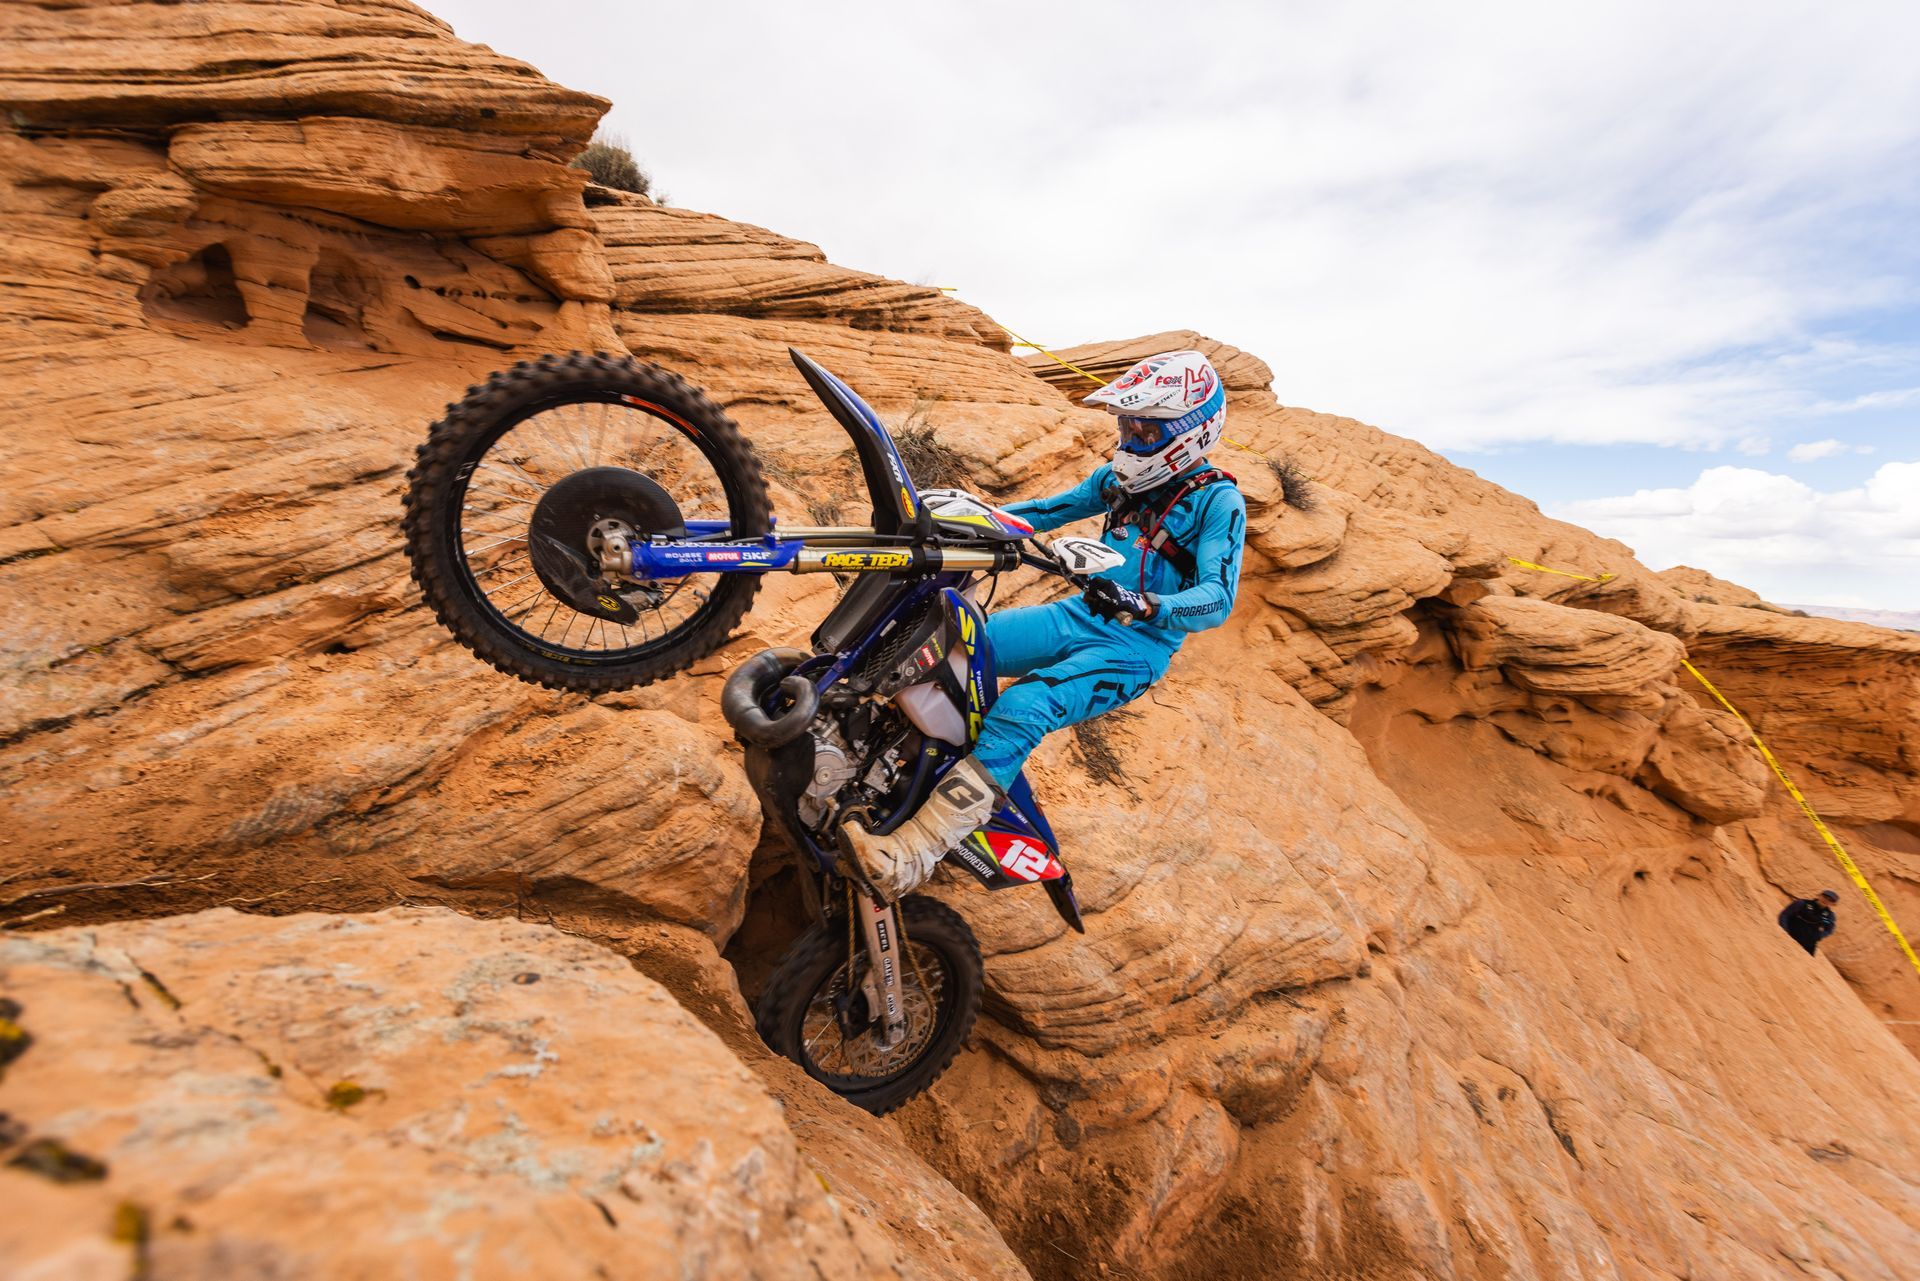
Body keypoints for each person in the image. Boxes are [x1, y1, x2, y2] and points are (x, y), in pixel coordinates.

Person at [842, 350, 1247, 900]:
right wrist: (956, 520)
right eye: (1127, 427)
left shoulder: (1217, 500)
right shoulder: (1115, 481)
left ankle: (915, 854)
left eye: (1146, 432)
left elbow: (1218, 598)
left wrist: (1146, 603)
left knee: (1025, 707)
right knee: (946, 643)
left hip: (1136, 648)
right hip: (1077, 615)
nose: (1131, 442)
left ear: (1191, 434)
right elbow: (1043, 511)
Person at [1778, 890, 1840, 955]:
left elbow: (1829, 930)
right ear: (1819, 895)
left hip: (1808, 946)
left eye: (1830, 900)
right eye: (1824, 897)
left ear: (1833, 904)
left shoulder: (1829, 915)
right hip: (1790, 936)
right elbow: (1785, 915)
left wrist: (1819, 936)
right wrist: (1784, 930)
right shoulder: (1802, 903)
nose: (1826, 900)